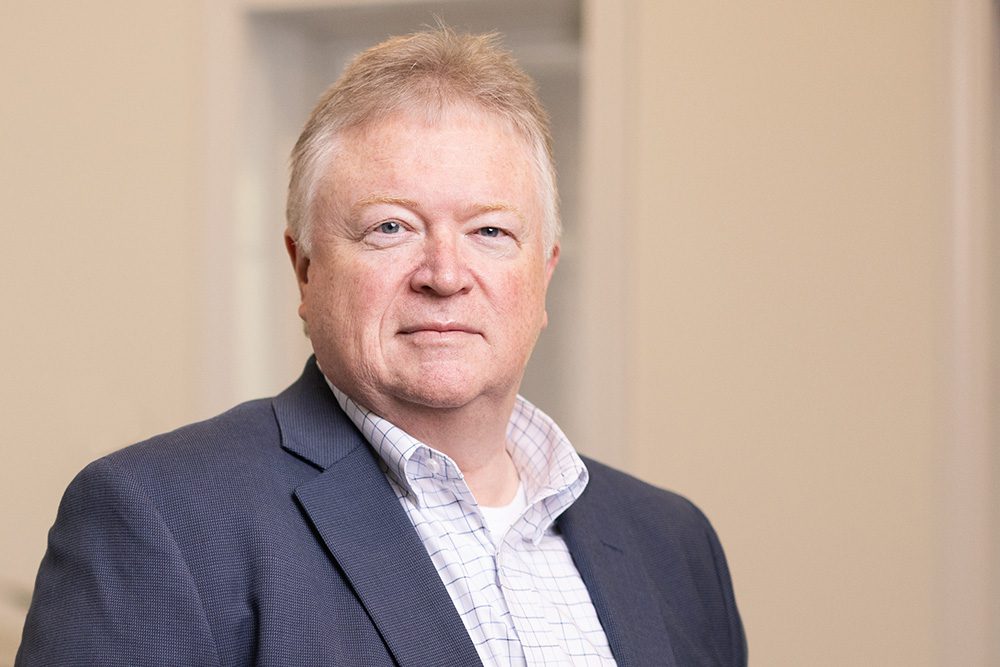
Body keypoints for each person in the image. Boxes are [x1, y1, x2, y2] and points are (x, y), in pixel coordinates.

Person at [17, 28, 746, 666]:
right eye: (391, 227)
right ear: (304, 268)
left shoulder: (672, 543)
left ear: (544, 271)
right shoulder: (161, 521)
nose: (446, 275)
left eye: (490, 231)